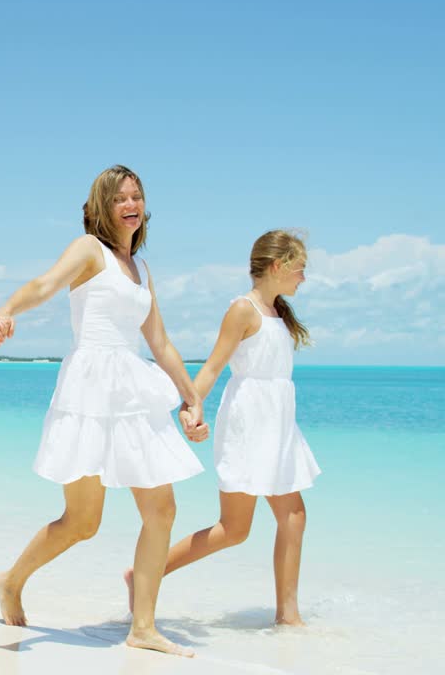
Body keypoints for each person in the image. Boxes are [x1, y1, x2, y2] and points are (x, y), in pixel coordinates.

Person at [0, 165, 207, 657]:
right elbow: (44, 285)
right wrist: (6, 311)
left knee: (162, 510)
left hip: (133, 390)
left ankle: (143, 626)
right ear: (102, 207)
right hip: (90, 390)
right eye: (120, 198)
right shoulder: (89, 250)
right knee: (83, 522)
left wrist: (191, 398)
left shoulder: (142, 269)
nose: (131, 205)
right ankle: (11, 579)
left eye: (137, 196)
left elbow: (160, 341)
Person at [130, 229, 319, 627]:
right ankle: (145, 574)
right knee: (234, 529)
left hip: (280, 425)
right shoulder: (243, 310)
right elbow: (213, 367)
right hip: (250, 425)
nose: (304, 277)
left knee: (293, 515)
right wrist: (190, 408)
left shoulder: (278, 313)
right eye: (300, 269)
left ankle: (288, 616)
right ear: (277, 266)